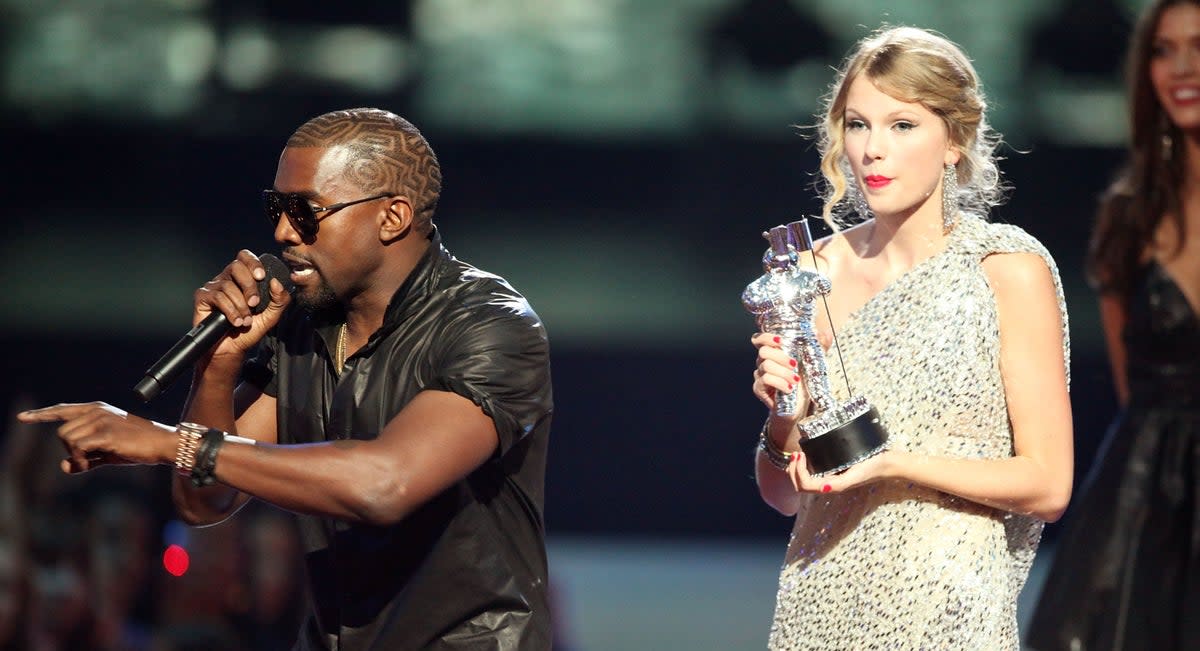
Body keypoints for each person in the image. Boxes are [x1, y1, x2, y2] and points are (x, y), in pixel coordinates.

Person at [17, 107, 555, 650]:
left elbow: (385, 484)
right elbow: (205, 503)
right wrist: (219, 368)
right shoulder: (300, 327)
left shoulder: (491, 326)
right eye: (277, 207)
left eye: (305, 211)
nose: (281, 231)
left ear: (392, 218)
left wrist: (168, 442)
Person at [749, 26, 1073, 650]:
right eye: (857, 124)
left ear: (953, 139)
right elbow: (784, 497)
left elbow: (1049, 484)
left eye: (902, 125)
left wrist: (893, 465)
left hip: (948, 601)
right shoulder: (811, 275)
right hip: (821, 594)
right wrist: (781, 420)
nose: (872, 150)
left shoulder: (1005, 269)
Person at [1026, 2, 1200, 649]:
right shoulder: (1128, 218)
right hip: (1143, 507)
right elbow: (1134, 391)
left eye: (1198, 46)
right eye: (1162, 50)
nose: (1181, 68)